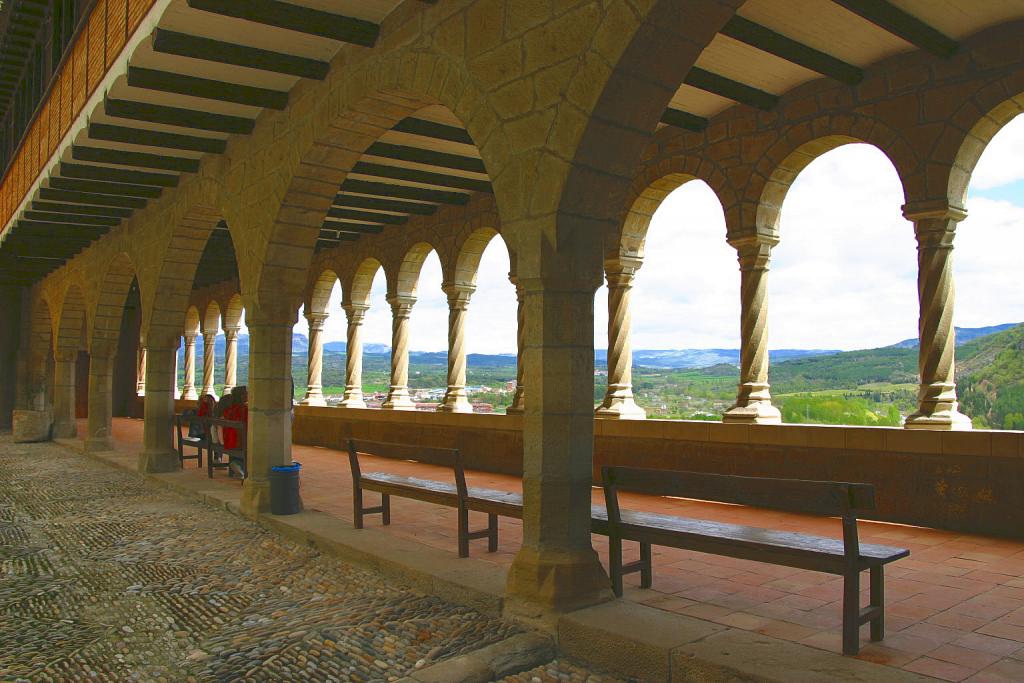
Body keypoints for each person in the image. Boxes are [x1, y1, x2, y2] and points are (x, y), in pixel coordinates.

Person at [223, 385, 248, 478]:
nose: (248, 395)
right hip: (239, 442)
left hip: (228, 441)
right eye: (246, 394)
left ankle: (237, 464)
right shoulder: (244, 410)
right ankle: (239, 465)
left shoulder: (229, 409)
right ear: (241, 396)